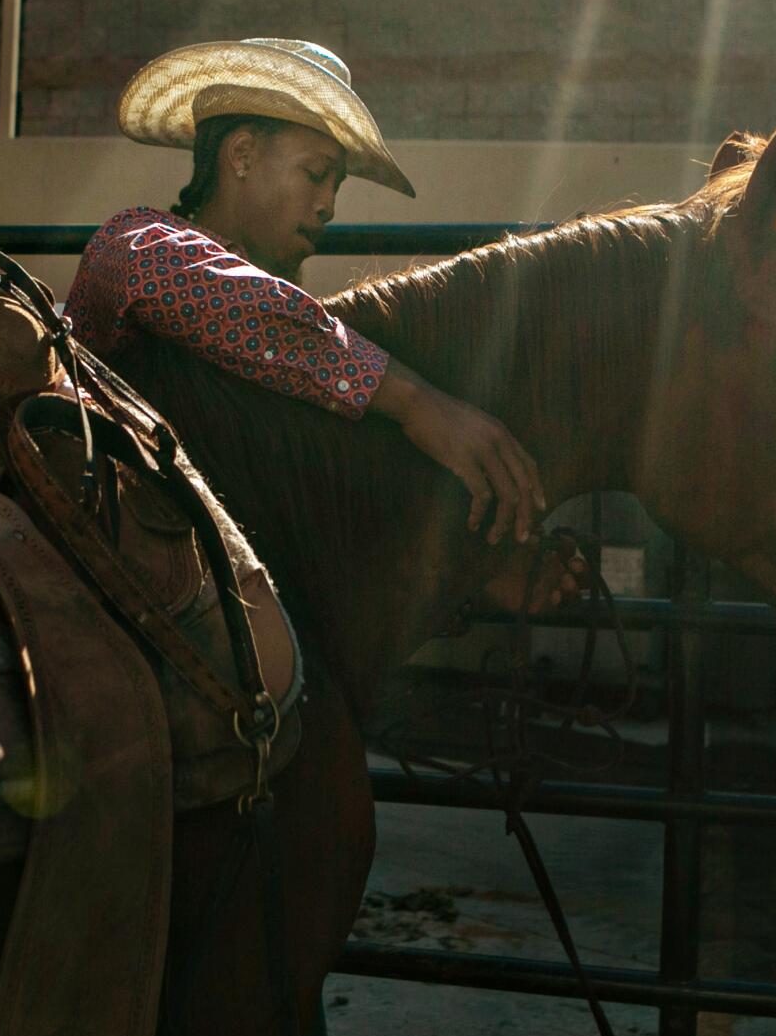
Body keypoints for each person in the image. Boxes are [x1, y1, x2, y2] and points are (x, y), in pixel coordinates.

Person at [67, 38, 582, 610]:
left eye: (335, 185)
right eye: (316, 174)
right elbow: (230, 304)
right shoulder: (137, 244)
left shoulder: (298, 332)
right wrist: (416, 403)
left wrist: (477, 572)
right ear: (240, 154)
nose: (329, 204)